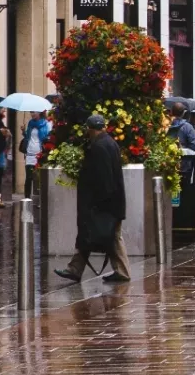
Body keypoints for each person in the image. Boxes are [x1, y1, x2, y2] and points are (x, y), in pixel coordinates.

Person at [55, 114, 129, 283]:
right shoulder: (110, 143)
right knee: (95, 235)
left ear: (89, 129)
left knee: (98, 235)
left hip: (103, 205)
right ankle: (75, 268)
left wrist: (97, 203)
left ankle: (120, 272)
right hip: (111, 203)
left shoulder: (99, 147)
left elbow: (104, 178)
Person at [21, 111, 50, 199]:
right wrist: (23, 131)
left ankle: (40, 199)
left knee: (39, 178)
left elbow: (46, 138)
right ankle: (27, 198)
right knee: (28, 177)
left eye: (34, 112)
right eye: (31, 112)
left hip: (39, 154)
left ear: (39, 112)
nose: (32, 114)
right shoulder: (30, 123)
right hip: (29, 153)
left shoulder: (45, 124)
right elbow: (28, 137)